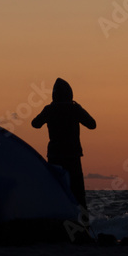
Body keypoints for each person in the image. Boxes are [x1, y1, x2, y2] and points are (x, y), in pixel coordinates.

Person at [32, 78, 96, 210]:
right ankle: (82, 226)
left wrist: (50, 110)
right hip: (73, 156)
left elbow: (35, 123)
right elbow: (92, 124)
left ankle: (57, 223)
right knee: (78, 194)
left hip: (55, 156)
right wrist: (78, 107)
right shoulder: (74, 109)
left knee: (56, 192)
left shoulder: (49, 109)